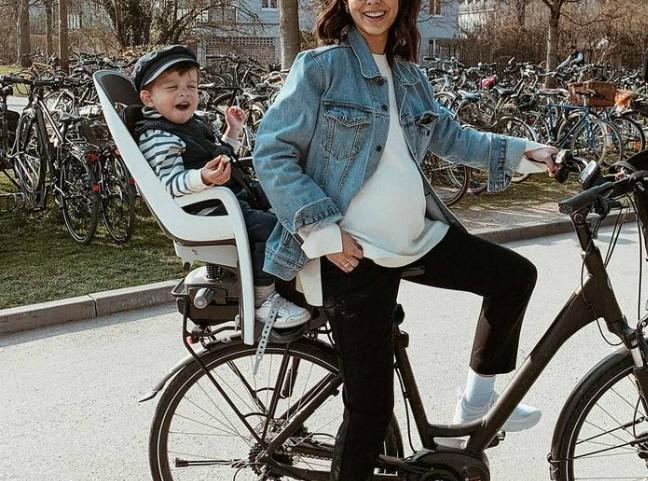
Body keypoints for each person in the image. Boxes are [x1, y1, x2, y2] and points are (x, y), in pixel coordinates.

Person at [252, 0, 560, 478]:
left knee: (513, 276)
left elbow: (453, 138)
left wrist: (526, 153)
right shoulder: (321, 68)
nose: (374, 2)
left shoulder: (409, 76)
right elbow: (272, 154)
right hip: (354, 257)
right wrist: (323, 232)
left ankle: (474, 405)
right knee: (371, 411)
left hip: (418, 239)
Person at [130, 45, 311, 329]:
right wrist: (203, 178)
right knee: (271, 229)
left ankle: (297, 274)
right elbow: (169, 184)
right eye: (172, 87)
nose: (184, 93)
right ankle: (263, 298)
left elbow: (218, 157)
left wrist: (233, 131)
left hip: (227, 197)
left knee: (286, 194)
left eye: (191, 86)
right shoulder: (158, 136)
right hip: (207, 209)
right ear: (148, 98)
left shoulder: (190, 124)